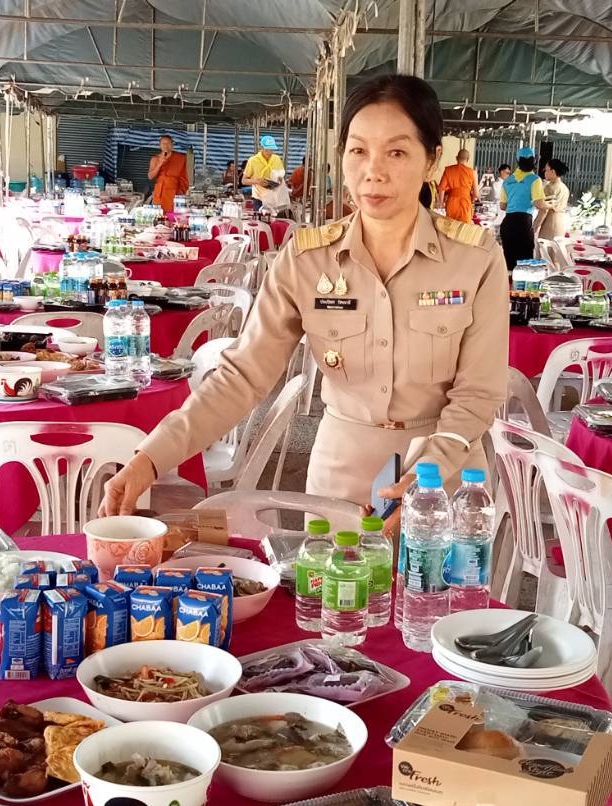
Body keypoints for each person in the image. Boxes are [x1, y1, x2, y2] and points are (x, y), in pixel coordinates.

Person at [100, 73, 506, 517]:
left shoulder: (476, 259)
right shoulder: (307, 260)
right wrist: (151, 457)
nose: (373, 171)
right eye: (358, 151)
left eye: (396, 151)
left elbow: (478, 394)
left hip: (446, 489)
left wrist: (428, 475)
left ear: (431, 162)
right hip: (339, 483)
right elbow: (243, 376)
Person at [498, 147, 547, 270]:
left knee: (509, 265)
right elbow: (539, 204)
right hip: (524, 224)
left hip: (508, 223)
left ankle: (508, 288)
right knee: (525, 266)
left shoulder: (508, 180)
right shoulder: (535, 180)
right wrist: (550, 205)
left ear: (517, 161)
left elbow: (503, 206)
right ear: (534, 160)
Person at [243, 135, 291, 215]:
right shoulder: (253, 160)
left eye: (272, 150)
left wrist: (279, 179)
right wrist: (257, 181)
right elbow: (243, 180)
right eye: (267, 150)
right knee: (260, 224)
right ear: (262, 148)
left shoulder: (277, 159)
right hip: (259, 199)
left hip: (275, 199)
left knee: (275, 223)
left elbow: (280, 174)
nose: (270, 152)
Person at [147, 133, 189, 215]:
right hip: (159, 193)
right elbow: (150, 176)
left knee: (172, 217)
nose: (166, 146)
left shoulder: (181, 158)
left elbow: (185, 178)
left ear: (172, 145)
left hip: (174, 193)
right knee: (158, 216)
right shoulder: (155, 159)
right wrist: (159, 164)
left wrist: (180, 194)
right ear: (160, 145)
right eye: (163, 143)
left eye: (168, 143)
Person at [436, 148, 477, 224]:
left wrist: (441, 203)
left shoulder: (448, 170)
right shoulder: (472, 172)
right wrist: (472, 201)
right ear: (468, 159)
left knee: (450, 228)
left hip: (452, 204)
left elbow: (441, 188)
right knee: (463, 229)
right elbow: (476, 194)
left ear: (456, 158)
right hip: (465, 202)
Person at [534, 158, 571, 242]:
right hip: (560, 223)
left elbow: (544, 210)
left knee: (545, 252)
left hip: (549, 223)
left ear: (553, 172)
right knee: (556, 252)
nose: (544, 172)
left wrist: (535, 226)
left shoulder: (550, 187)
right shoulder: (564, 187)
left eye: (546, 170)